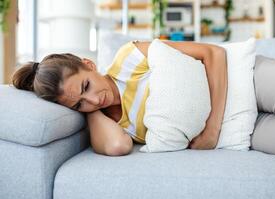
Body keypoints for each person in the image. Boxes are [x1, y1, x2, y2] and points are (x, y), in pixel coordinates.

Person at [12, 40, 228, 156]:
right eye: (79, 103)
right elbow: (117, 146)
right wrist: (91, 113)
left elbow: (213, 53)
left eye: (86, 86)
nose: (94, 101)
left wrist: (212, 130)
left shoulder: (130, 58)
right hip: (235, 130)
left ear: (89, 65)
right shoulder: (109, 123)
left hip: (240, 83)